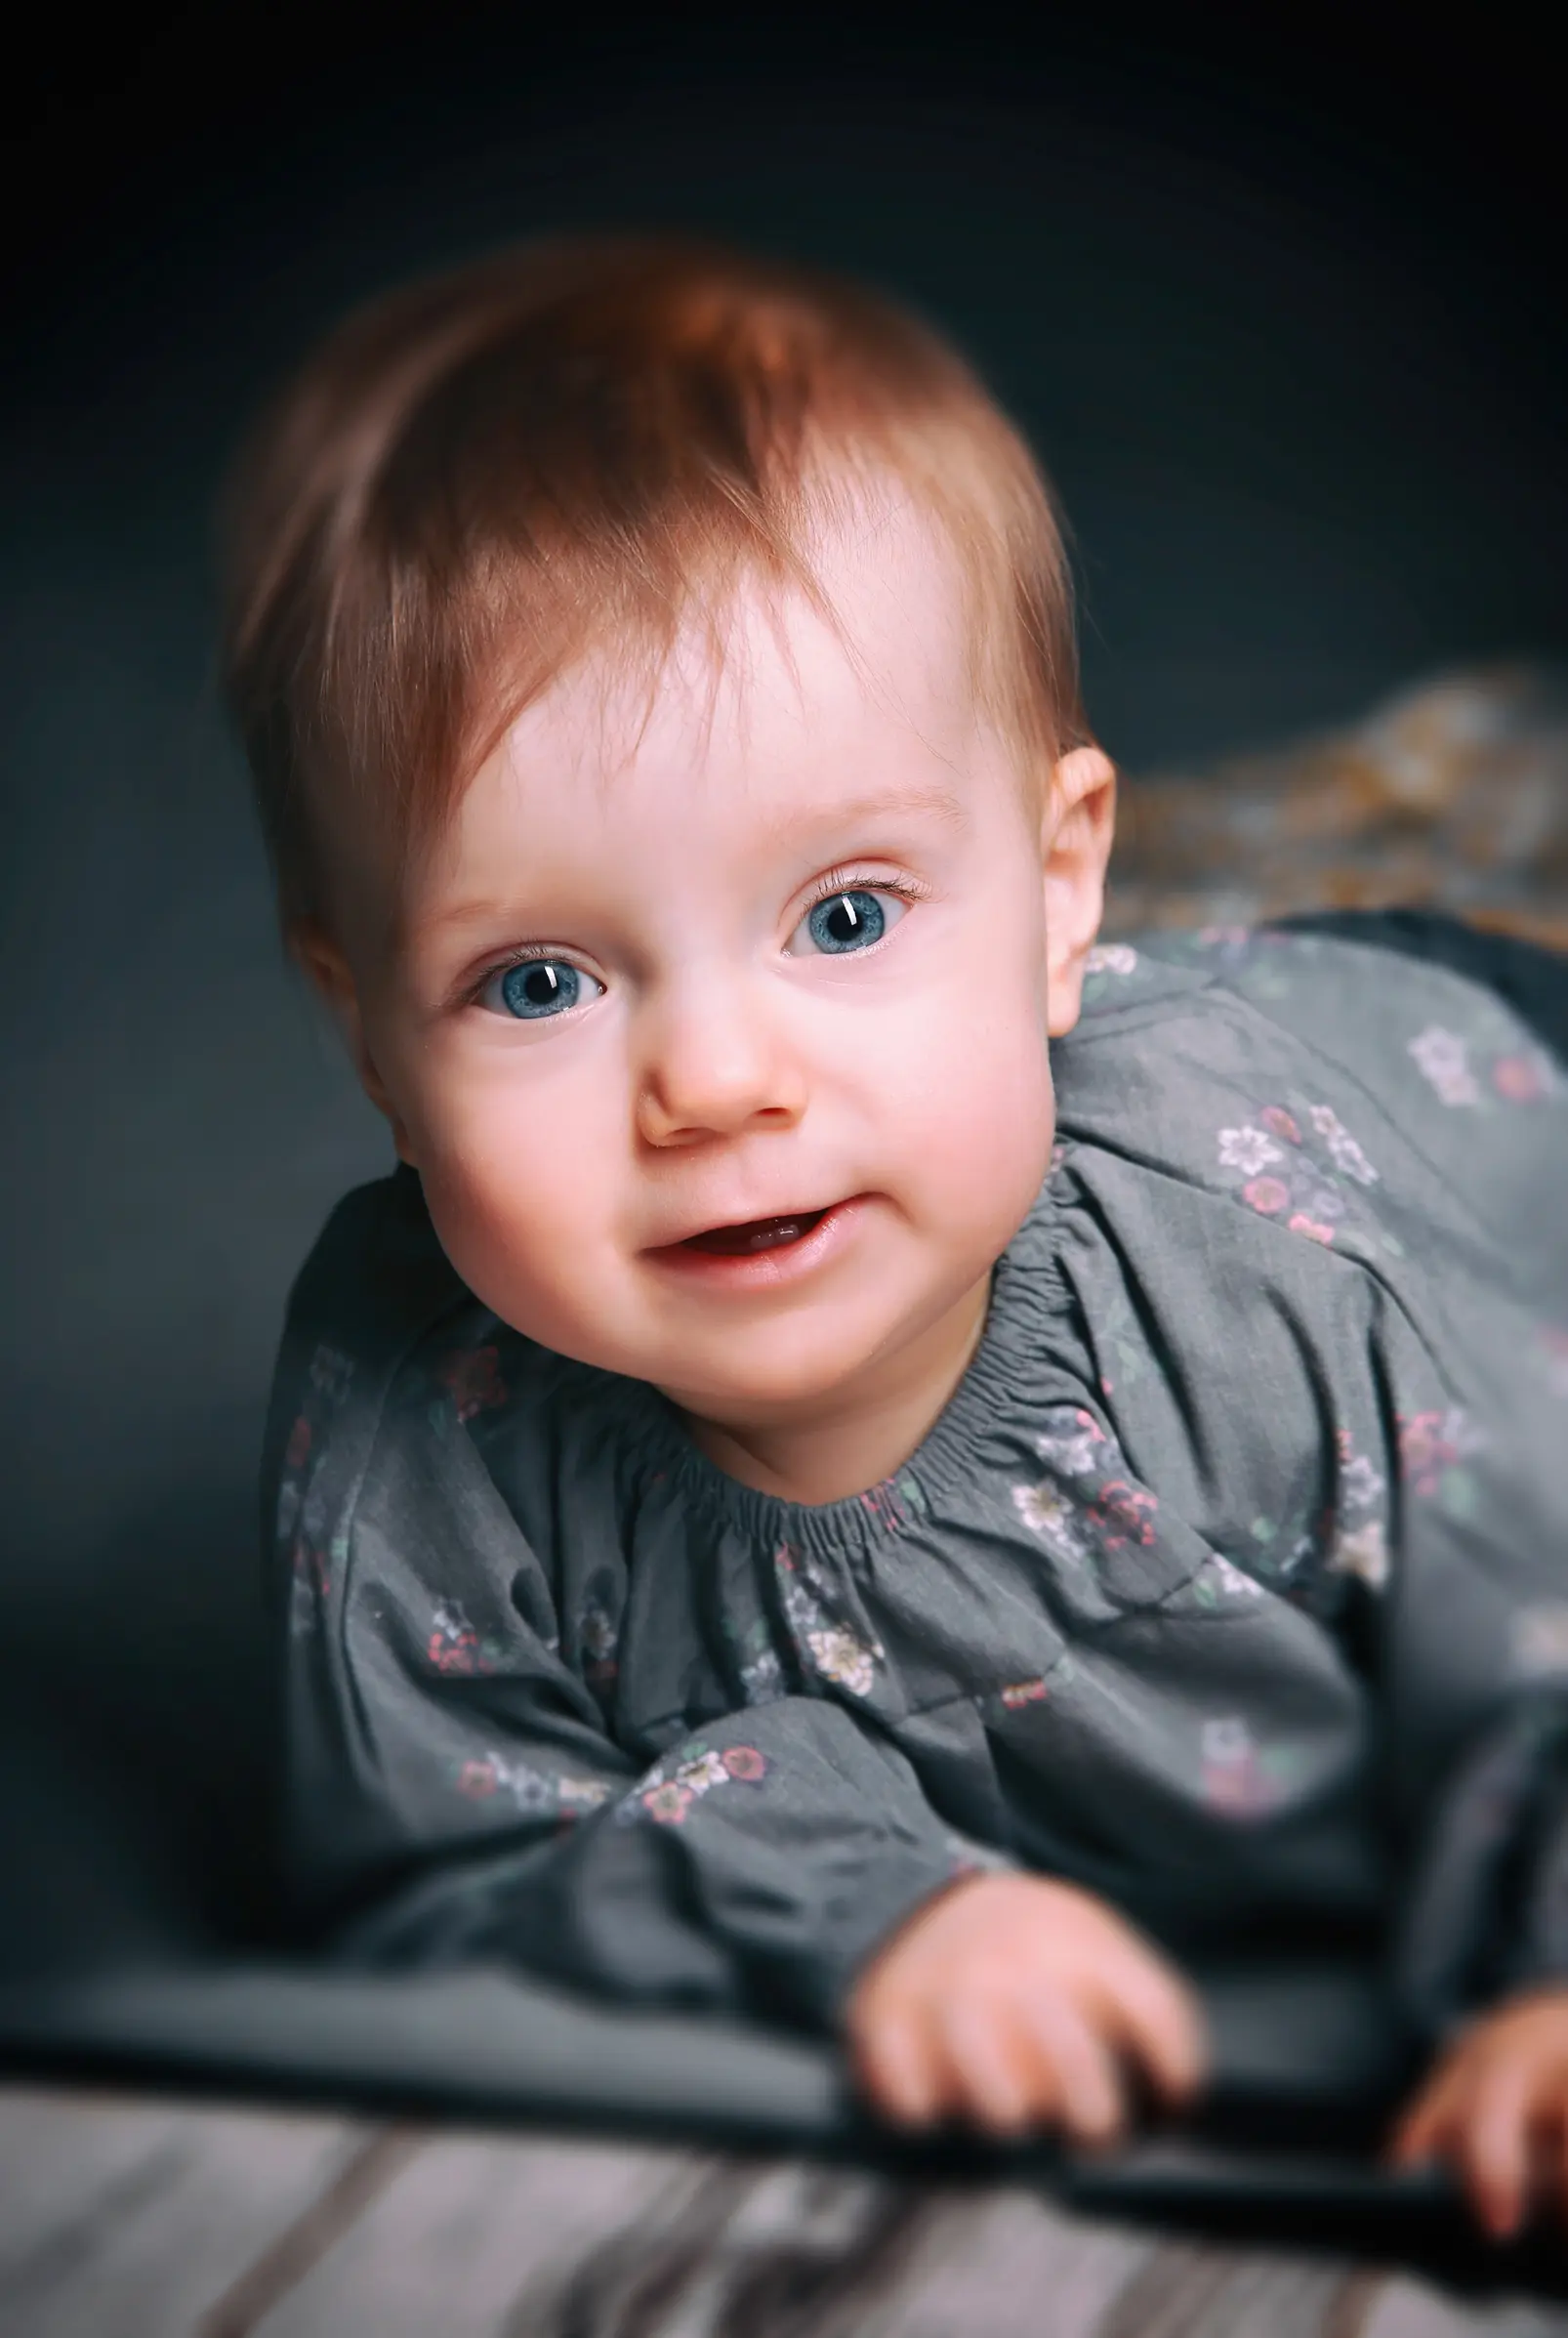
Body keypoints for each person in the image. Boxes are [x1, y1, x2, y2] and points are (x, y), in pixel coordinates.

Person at [222, 233, 1568, 2240]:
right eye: (535, 983)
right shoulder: (416, 1410)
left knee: (1460, 833)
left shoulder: (1263, 1251)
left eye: (838, 916)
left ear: (1047, 896)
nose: (712, 1085)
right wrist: (866, 1909)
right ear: (366, 1035)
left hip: (1468, 1058)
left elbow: (1540, 1623)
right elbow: (439, 1861)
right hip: (1071, 989)